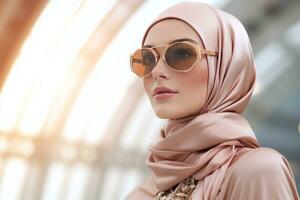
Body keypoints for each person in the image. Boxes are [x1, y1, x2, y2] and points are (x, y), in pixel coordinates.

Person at [125, 1, 299, 199]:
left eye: (182, 53)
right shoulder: (141, 194)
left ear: (228, 65)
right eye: (147, 59)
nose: (156, 72)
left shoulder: (257, 171)